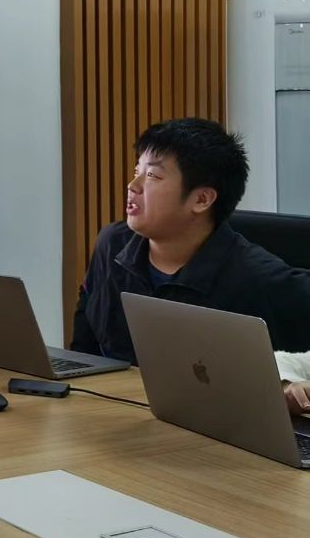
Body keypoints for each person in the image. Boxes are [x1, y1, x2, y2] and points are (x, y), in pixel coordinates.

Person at [71, 117, 310, 364]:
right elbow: (84, 348)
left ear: (201, 200)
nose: (133, 186)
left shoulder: (257, 278)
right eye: (136, 171)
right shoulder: (112, 245)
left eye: (152, 175)